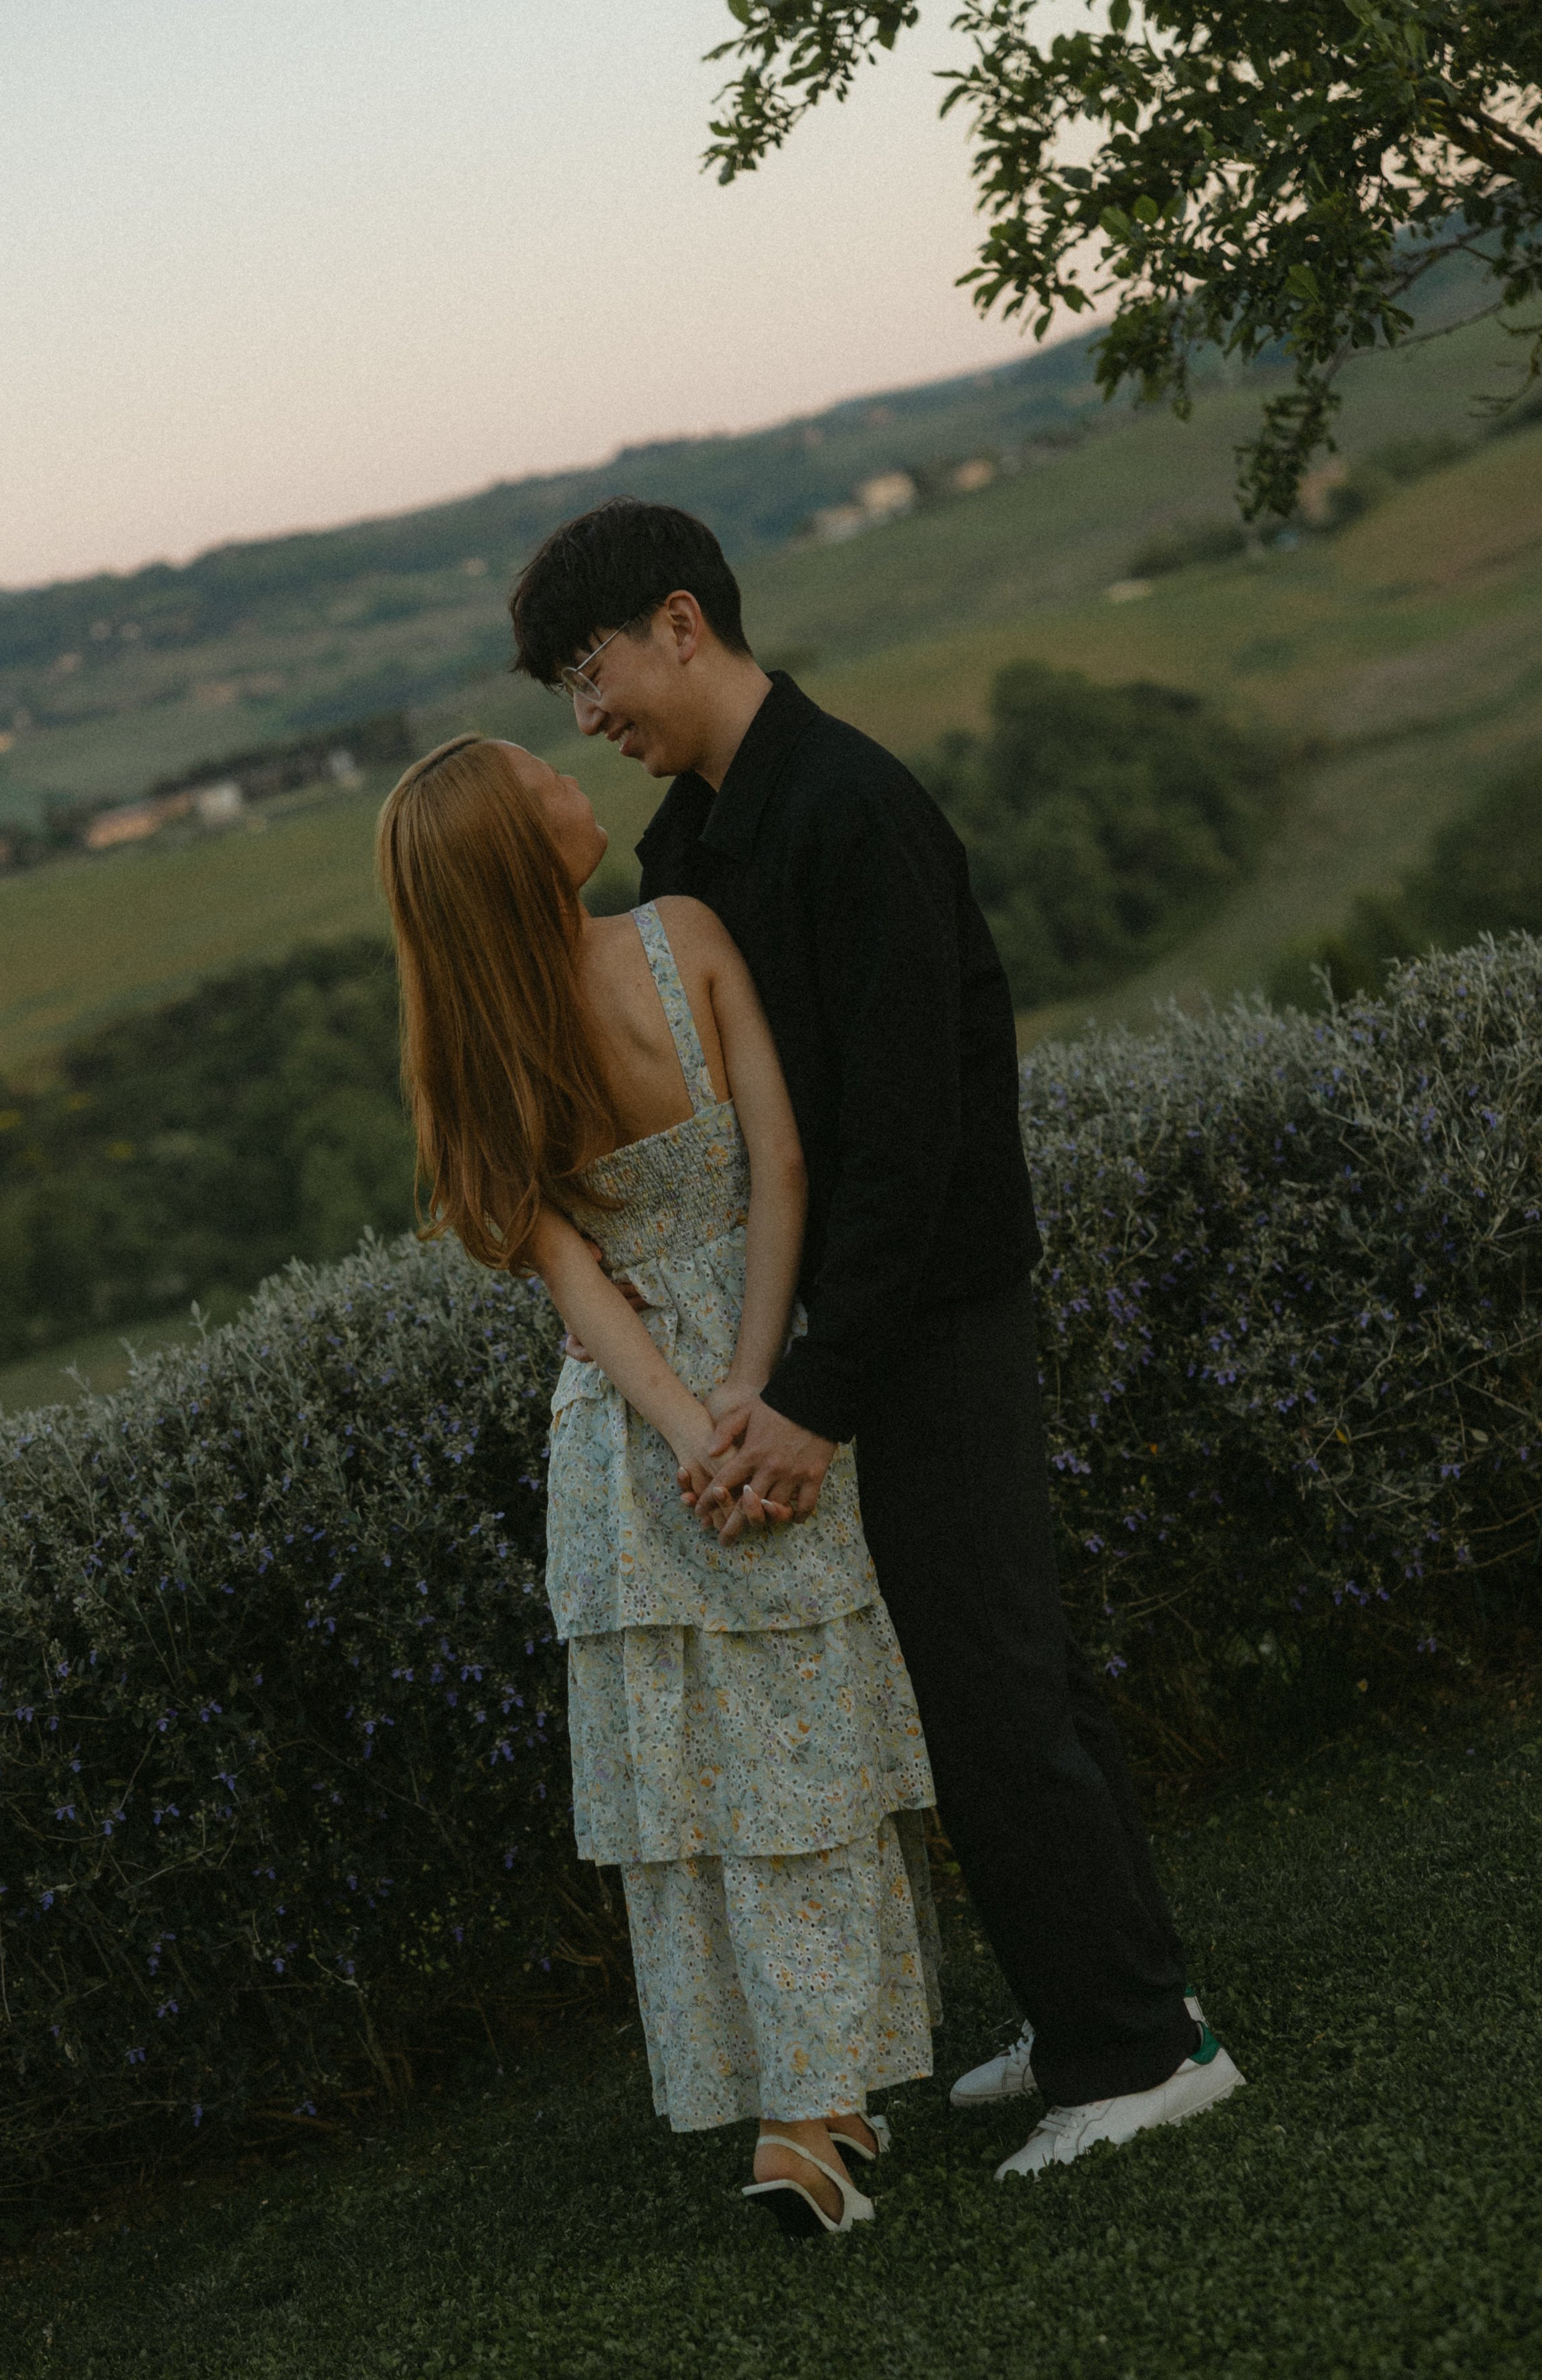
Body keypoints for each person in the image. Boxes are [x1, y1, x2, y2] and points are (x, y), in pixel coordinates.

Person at [506, 497, 1244, 2179]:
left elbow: (911, 1141)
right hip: (846, 1322)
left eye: (590, 663)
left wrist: (813, 1395)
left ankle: (1139, 2055)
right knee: (990, 1677)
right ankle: (1107, 2013)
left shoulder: (849, 808)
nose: (585, 708)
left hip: (934, 1310)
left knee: (994, 1678)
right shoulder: (693, 843)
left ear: (679, 622)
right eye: (563, 684)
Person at [377, 731, 941, 2235]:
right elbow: (784, 1171)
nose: (574, 776)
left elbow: (579, 1288)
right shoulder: (681, 935)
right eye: (540, 778)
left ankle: (811, 2107)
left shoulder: (469, 1053)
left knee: (702, 1781)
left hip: (629, 1442)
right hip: (761, 1370)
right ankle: (812, 2113)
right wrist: (759, 1390)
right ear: (523, 844)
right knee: (802, 1748)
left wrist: (690, 1430)